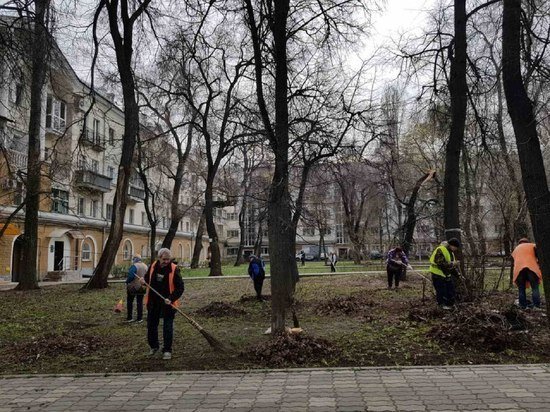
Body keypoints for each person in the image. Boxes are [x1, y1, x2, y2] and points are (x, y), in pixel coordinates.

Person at [144, 248, 184, 360]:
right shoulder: (152, 266)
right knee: (151, 326)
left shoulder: (174, 269)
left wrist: (171, 298)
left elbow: (180, 288)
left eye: (168, 259)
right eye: (164, 259)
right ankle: (153, 347)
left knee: (167, 327)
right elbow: (147, 279)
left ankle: (167, 350)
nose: (166, 261)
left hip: (168, 304)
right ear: (159, 258)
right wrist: (143, 281)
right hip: (153, 302)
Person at [429, 238, 461, 309]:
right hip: (437, 274)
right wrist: (453, 263)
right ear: (451, 245)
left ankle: (450, 305)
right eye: (455, 247)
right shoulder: (441, 249)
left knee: (450, 290)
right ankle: (442, 306)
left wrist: (458, 275)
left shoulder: (451, 253)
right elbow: (440, 262)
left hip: (446, 274)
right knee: (441, 291)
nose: (456, 249)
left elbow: (452, 267)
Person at [511, 238, 542, 309]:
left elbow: (514, 260)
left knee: (521, 288)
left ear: (519, 243)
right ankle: (536, 306)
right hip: (532, 268)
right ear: (528, 242)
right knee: (535, 288)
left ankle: (522, 306)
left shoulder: (516, 248)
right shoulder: (533, 245)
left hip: (519, 270)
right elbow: (539, 256)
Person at [125, 255, 148, 323]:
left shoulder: (134, 266)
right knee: (140, 302)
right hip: (142, 287)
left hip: (133, 287)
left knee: (130, 302)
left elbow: (131, 276)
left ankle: (130, 317)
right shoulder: (145, 266)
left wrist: (127, 282)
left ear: (135, 259)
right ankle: (139, 318)